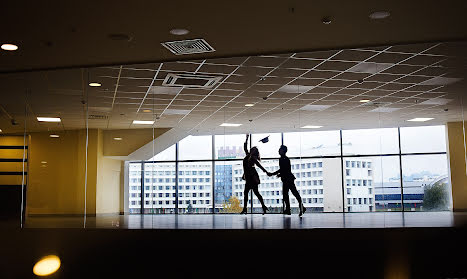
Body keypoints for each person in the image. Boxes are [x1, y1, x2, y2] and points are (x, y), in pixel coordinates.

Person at [269, 145, 306, 217]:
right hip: (288, 178)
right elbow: (285, 170)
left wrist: (273, 174)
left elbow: (283, 170)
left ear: (283, 151)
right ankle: (299, 207)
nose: (278, 151)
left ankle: (290, 209)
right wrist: (279, 174)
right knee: (292, 193)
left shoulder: (283, 159)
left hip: (287, 179)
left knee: (288, 194)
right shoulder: (285, 159)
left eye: (280, 150)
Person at [240, 134, 271, 215]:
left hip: (252, 178)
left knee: (252, 193)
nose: (250, 150)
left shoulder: (252, 158)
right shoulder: (248, 155)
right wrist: (246, 139)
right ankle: (261, 207)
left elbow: (259, 166)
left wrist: (266, 172)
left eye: (252, 150)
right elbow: (245, 147)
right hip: (250, 177)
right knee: (251, 193)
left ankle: (246, 208)